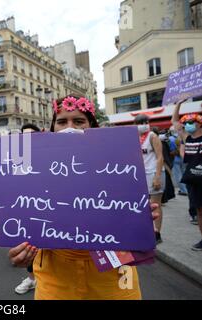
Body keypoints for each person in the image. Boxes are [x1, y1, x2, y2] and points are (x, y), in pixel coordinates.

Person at [9, 95, 160, 300]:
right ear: (53, 128)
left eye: (78, 121)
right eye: (62, 121)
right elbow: (22, 220)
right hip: (55, 280)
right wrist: (21, 253)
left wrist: (141, 222)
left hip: (114, 278)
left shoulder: (118, 165)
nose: (69, 127)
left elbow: (130, 219)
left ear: (92, 126)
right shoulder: (31, 170)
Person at [172, 99, 202, 251]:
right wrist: (178, 104)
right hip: (193, 179)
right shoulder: (186, 137)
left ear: (199, 123)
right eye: (187, 122)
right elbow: (175, 121)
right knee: (199, 210)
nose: (188, 124)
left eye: (192, 121)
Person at [14, 123, 41, 295]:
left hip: (50, 211)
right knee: (30, 247)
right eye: (24, 135)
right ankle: (32, 279)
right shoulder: (17, 158)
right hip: (27, 211)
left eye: (32, 134)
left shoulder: (52, 154)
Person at [134, 115, 165, 244]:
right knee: (144, 205)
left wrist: (157, 177)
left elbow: (159, 157)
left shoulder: (153, 136)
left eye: (146, 122)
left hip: (154, 173)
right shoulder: (135, 137)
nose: (144, 124)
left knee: (155, 204)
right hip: (141, 174)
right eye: (141, 122)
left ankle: (157, 232)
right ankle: (147, 230)